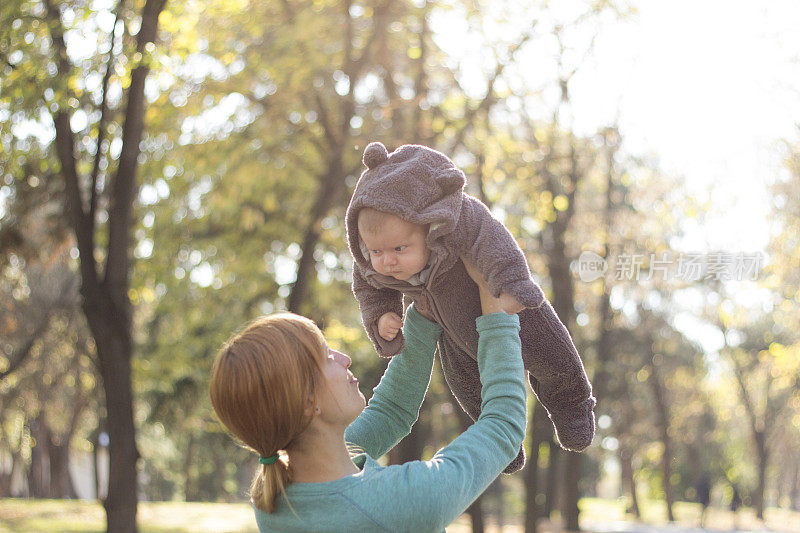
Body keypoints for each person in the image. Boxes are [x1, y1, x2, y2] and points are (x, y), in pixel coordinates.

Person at [209, 259, 527, 532]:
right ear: (307, 403)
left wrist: (423, 314)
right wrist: (498, 312)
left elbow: (392, 410)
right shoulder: (398, 504)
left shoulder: (274, 498)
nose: (343, 358)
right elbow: (503, 425)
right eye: (325, 356)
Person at [345, 141, 596, 473]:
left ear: (429, 227)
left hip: (509, 305)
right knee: (468, 390)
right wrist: (381, 317)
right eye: (376, 252)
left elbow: (494, 242)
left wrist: (510, 282)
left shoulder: (462, 222)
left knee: (552, 356)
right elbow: (368, 286)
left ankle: (572, 407)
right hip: (454, 335)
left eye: (399, 248)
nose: (386, 261)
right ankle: (501, 448)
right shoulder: (375, 261)